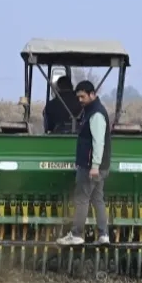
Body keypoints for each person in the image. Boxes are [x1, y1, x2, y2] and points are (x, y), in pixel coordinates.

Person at [56, 79, 112, 246]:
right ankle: (103, 235)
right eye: (78, 97)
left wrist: (94, 166)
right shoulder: (91, 111)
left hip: (91, 167)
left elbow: (98, 142)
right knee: (97, 199)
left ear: (92, 94)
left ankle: (76, 234)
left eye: (83, 96)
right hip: (97, 167)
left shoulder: (96, 114)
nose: (80, 100)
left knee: (81, 198)